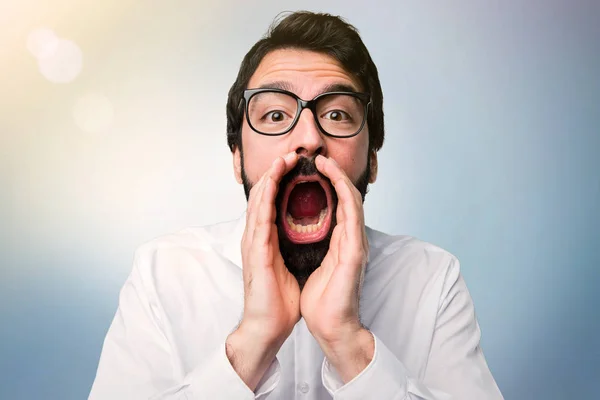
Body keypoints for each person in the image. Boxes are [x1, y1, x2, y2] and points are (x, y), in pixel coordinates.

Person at [89, 11, 503, 400]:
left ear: (372, 160)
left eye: (338, 114)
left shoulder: (431, 279)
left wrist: (348, 342)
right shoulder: (164, 275)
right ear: (238, 159)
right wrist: (252, 342)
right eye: (274, 115)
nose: (308, 137)